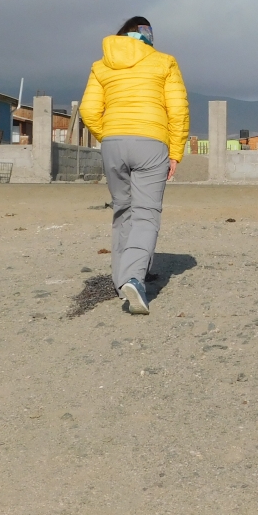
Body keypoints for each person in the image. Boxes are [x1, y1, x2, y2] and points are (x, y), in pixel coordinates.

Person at [80, 16, 189, 314]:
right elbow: (177, 110)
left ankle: (120, 282)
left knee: (122, 210)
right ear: (148, 37)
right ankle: (134, 278)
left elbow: (89, 110)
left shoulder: (101, 65)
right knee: (146, 214)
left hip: (113, 143)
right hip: (151, 143)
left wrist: (109, 135)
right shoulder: (164, 62)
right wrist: (176, 150)